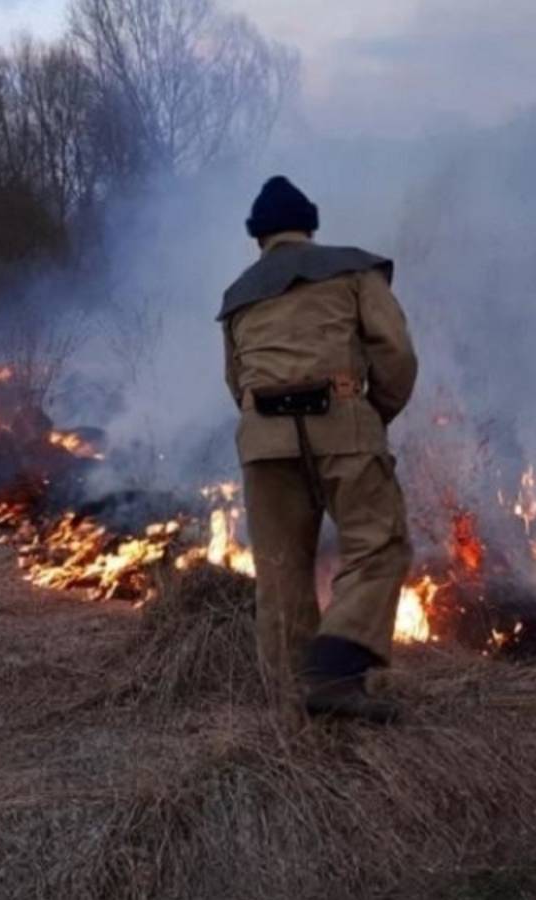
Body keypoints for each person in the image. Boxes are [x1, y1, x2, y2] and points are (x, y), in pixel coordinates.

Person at [220, 176, 419, 723]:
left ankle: (290, 706)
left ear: (258, 237)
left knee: (280, 569)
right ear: (310, 226)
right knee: (378, 544)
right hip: (341, 423)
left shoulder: (238, 297)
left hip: (264, 439)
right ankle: (335, 667)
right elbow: (395, 354)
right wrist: (369, 414)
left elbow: (237, 382)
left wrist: (270, 423)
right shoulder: (354, 271)